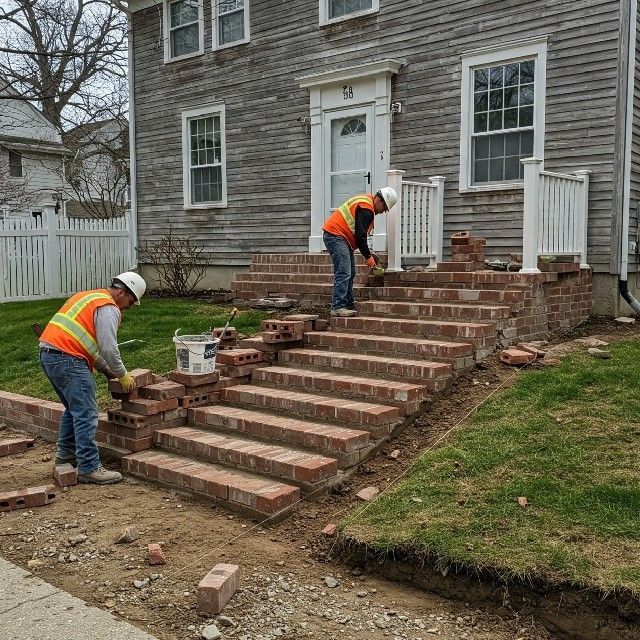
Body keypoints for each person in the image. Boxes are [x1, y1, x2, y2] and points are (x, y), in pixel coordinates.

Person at [39, 272, 146, 485]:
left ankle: (66, 457)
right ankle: (89, 467)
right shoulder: (108, 308)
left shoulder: (90, 297)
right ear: (122, 292)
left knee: (74, 409)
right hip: (68, 359)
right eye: (131, 301)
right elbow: (108, 347)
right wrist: (123, 375)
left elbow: (84, 341)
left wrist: (108, 372)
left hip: (49, 354)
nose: (129, 306)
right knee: (87, 413)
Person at [322, 187, 397, 317]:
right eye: (384, 209)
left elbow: (360, 234)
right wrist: (368, 256)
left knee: (350, 272)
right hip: (336, 235)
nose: (383, 212)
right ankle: (338, 306)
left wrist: (369, 252)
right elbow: (360, 236)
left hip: (340, 237)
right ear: (380, 201)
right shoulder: (366, 208)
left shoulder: (366, 202)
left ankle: (348, 303)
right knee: (344, 271)